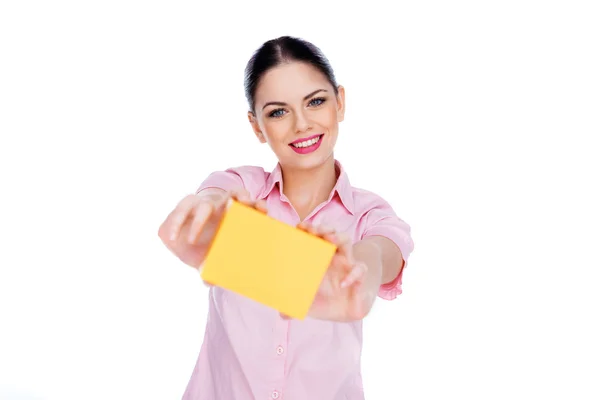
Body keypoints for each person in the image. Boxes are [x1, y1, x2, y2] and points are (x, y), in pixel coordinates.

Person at [158, 36, 415, 400]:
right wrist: (209, 214)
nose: (302, 124)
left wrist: (355, 271)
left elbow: (379, 254)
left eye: (316, 102)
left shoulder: (371, 214)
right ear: (257, 126)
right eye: (278, 111)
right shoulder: (242, 188)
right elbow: (216, 194)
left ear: (340, 102)